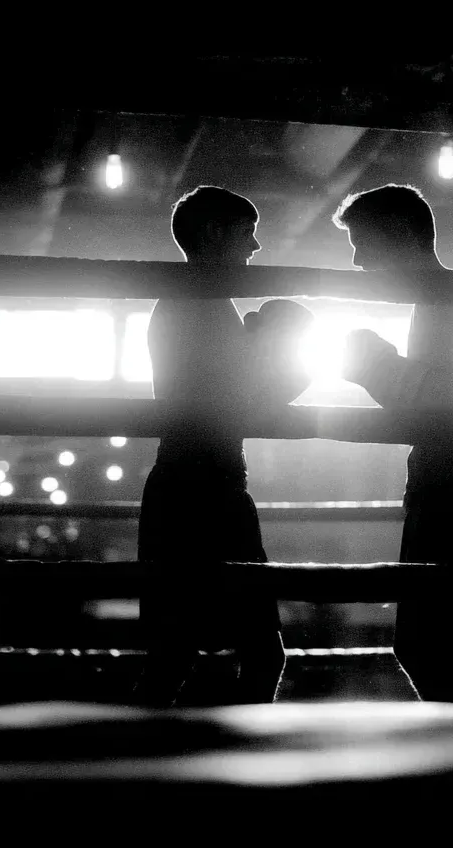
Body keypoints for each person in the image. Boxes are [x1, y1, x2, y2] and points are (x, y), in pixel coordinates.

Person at [333, 184, 453, 706]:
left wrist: (376, 365)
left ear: (401, 234)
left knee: (446, 647)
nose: (357, 260)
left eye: (363, 243)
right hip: (452, 484)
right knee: (444, 646)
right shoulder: (441, 303)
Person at [138, 185, 312, 706]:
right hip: (205, 486)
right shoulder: (197, 306)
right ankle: (234, 765)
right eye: (247, 233)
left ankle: (152, 762)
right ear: (215, 233)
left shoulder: (197, 303)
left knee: (178, 651)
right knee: (252, 651)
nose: (255, 247)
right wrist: (287, 354)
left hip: (191, 482)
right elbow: (244, 403)